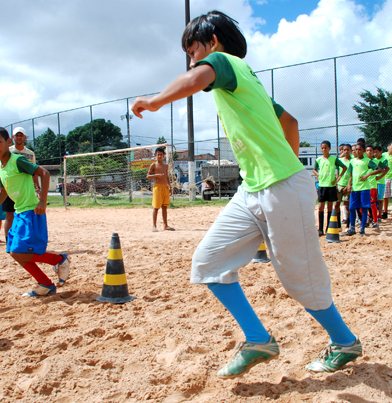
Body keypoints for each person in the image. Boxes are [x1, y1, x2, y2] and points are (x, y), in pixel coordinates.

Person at [131, 10, 362, 378]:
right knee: (208, 263)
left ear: (213, 42)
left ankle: (345, 342)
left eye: (194, 51)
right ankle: (258, 338)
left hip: (283, 187)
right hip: (251, 189)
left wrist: (155, 101)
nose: (193, 60)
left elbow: (197, 77)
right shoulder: (246, 81)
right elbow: (290, 122)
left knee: (299, 279)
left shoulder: (224, 62)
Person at [0, 127, 70, 297]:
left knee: (19, 252)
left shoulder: (18, 160)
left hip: (31, 211)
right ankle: (45, 284)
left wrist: (43, 201)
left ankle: (59, 260)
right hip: (19, 213)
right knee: (14, 252)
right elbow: (3, 192)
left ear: (8, 142)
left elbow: (44, 173)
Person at [0, 127, 38, 239]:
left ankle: (24, 239)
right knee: (10, 215)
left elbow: (34, 171)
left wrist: (37, 186)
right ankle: (8, 240)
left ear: (25, 137)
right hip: (11, 188)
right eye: (17, 135)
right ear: (13, 137)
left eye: (21, 135)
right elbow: (1, 169)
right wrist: (0, 187)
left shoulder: (30, 154)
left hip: (26, 189)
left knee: (26, 214)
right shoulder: (8, 151)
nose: (19, 137)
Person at [343, 143, 383, 236]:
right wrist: (349, 184)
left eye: (360, 150)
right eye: (356, 150)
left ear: (363, 151)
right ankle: (352, 228)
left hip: (365, 188)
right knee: (351, 208)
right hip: (355, 188)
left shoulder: (367, 161)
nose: (357, 151)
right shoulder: (352, 161)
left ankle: (362, 229)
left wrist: (368, 175)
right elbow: (351, 174)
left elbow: (379, 169)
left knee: (364, 208)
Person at [312, 140, 346, 236]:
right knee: (321, 206)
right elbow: (314, 169)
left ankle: (328, 228)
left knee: (330, 206)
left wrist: (337, 179)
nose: (324, 149)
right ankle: (320, 229)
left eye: (326, 148)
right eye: (322, 148)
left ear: (329, 148)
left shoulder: (334, 159)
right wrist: (318, 174)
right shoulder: (319, 160)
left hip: (331, 186)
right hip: (322, 185)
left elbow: (344, 167)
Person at [147, 146, 174, 232]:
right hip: (157, 187)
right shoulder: (153, 165)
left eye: (161, 155)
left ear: (164, 155)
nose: (159, 156)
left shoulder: (166, 166)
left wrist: (169, 186)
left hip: (165, 187)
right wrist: (156, 175)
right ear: (155, 155)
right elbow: (148, 176)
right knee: (156, 207)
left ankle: (166, 225)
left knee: (165, 207)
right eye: (158, 155)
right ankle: (154, 226)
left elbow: (167, 177)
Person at [365, 145, 388, 229]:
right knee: (363, 204)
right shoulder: (364, 161)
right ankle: (366, 219)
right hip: (363, 186)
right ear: (365, 152)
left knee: (373, 204)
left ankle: (375, 222)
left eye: (371, 150)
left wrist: (379, 177)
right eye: (368, 150)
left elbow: (386, 168)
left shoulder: (376, 161)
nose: (370, 152)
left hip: (372, 186)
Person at [335, 144, 352, 229]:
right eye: (344, 150)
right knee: (336, 204)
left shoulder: (352, 161)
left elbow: (352, 175)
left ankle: (348, 224)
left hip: (347, 185)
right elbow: (338, 173)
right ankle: (338, 225)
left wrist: (349, 185)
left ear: (351, 151)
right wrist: (336, 183)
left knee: (346, 205)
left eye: (348, 150)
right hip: (339, 185)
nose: (346, 151)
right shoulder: (340, 160)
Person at [373, 146, 389, 222]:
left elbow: (385, 169)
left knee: (380, 199)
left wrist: (380, 177)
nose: (375, 153)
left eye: (376, 152)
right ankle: (374, 215)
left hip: (380, 182)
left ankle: (379, 214)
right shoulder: (372, 160)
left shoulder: (384, 160)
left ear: (381, 152)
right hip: (372, 182)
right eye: (374, 152)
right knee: (373, 199)